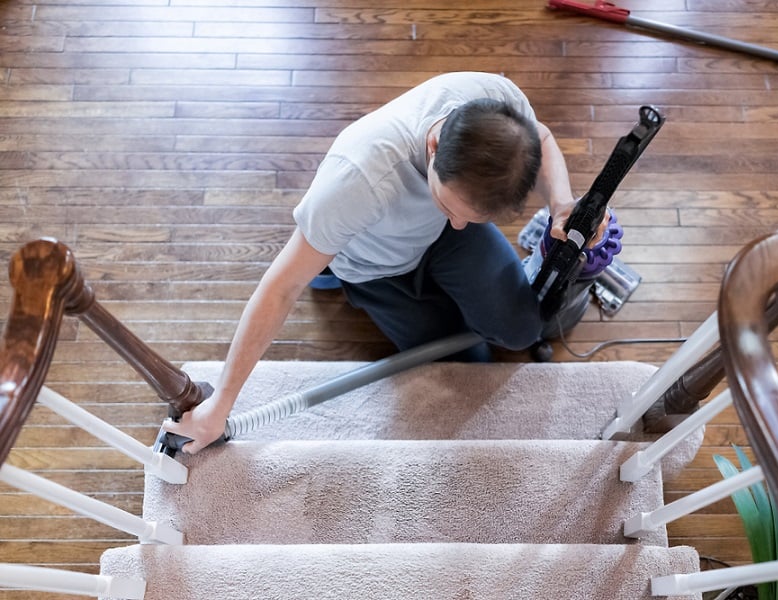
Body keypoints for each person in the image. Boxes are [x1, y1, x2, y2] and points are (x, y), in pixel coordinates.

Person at [163, 71, 603, 454]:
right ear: (434, 145)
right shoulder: (359, 178)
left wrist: (562, 203)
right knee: (472, 365)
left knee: (521, 330)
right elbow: (280, 289)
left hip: (440, 244)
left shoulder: (499, 105)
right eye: (448, 203)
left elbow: (540, 137)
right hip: (376, 267)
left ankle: (455, 270)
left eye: (472, 215)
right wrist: (219, 405)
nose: (457, 221)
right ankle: (341, 281)